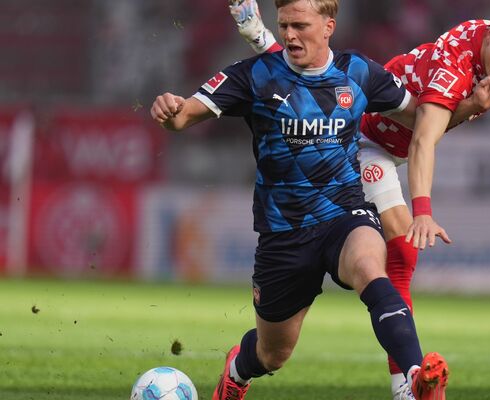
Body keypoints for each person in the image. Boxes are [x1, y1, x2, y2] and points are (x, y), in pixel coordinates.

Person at [230, 0, 490, 398]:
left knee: (278, 349)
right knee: (403, 246)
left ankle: (263, 39)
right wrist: (422, 210)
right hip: (366, 140)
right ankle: (407, 385)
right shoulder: (453, 63)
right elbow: (423, 137)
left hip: (395, 143)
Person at [151, 1, 453, 399]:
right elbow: (184, 115)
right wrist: (169, 108)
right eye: (284, 26)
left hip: (345, 213)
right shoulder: (255, 75)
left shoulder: (359, 72)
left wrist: (473, 104)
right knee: (272, 353)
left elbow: (424, 118)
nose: (290, 35)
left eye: (300, 26)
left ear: (328, 26)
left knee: (370, 267)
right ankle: (238, 371)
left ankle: (417, 378)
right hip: (284, 234)